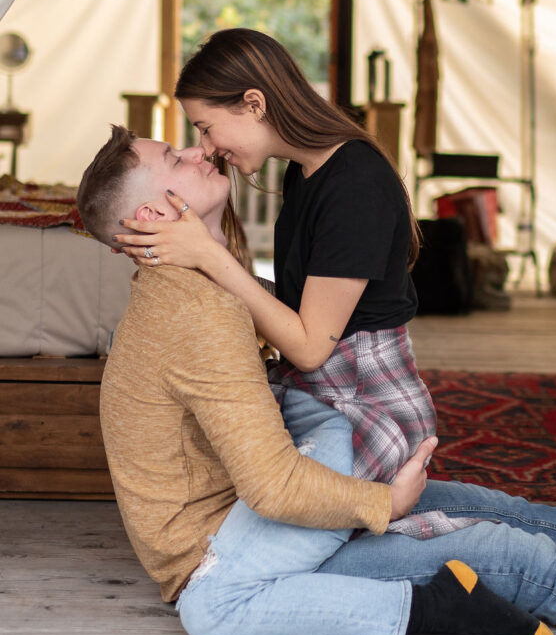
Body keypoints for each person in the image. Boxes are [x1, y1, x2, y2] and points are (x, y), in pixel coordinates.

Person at [84, 127, 556, 635]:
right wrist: (385, 505)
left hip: (265, 508)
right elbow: (273, 486)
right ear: (154, 218)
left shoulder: (205, 286)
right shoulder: (192, 312)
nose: (198, 151)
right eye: (175, 157)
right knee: (510, 555)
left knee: (486, 507)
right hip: (228, 552)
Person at [114, 28, 454, 540]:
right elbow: (298, 313)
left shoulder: (354, 183)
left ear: (253, 103)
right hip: (319, 393)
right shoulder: (305, 171)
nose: (207, 148)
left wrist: (211, 257)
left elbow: (312, 346)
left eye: (206, 128)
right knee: (267, 509)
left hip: (365, 404)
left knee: (262, 538)